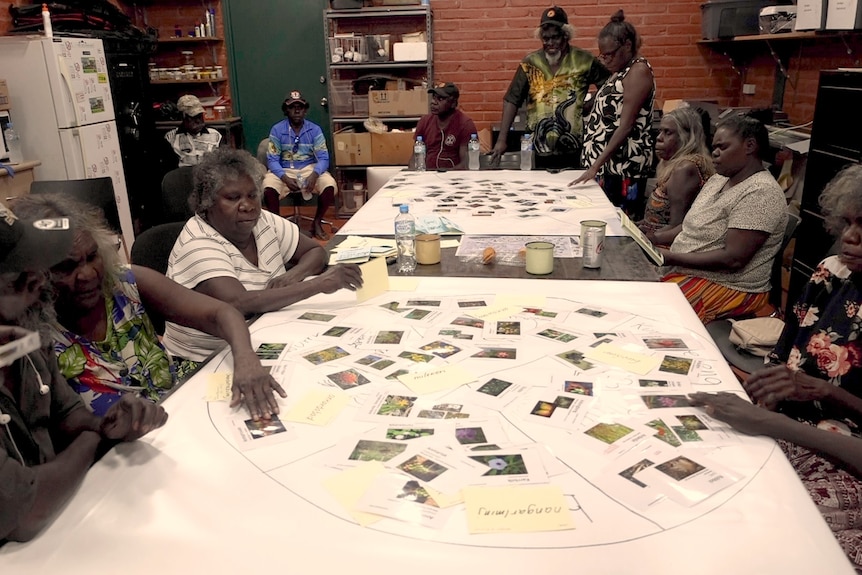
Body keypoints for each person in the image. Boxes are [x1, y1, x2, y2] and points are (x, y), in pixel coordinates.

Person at [11, 194, 286, 421]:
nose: (87, 274)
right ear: (31, 275)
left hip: (182, 410)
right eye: (65, 267)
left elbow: (221, 313)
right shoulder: (29, 341)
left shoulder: (123, 282)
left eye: (92, 256)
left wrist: (246, 358)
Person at [0, 206, 167, 543]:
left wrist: (109, 421)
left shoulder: (26, 332)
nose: (36, 279)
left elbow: (67, 412)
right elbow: (25, 511)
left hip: (61, 525)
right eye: (15, 275)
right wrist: (95, 438)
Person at [165, 147, 363, 361]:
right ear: (208, 203)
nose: (247, 206)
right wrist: (319, 284)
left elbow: (315, 251)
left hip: (265, 330)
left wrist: (292, 275)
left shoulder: (262, 221)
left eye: (252, 195)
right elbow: (240, 303)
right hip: (208, 359)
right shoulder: (198, 242)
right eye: (233, 198)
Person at [656, 114, 787, 324]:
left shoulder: (761, 192)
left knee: (651, 312)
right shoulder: (719, 179)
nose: (714, 153)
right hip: (688, 268)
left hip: (729, 285)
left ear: (750, 146)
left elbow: (732, 259)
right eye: (714, 146)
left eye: (722, 147)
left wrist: (669, 257)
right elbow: (690, 225)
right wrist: (650, 239)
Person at [489, 6, 609, 171]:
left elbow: (610, 86)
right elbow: (512, 99)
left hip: (574, 147)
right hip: (537, 148)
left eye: (555, 38)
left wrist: (591, 104)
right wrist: (502, 140)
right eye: (545, 39)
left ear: (566, 36)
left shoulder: (585, 60)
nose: (550, 43)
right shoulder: (530, 63)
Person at [572, 10, 655, 220]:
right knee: (600, 221)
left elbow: (626, 125)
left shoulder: (638, 71)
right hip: (608, 167)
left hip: (622, 167)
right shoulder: (620, 71)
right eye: (602, 54)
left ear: (627, 46)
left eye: (609, 54)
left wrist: (595, 167)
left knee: (617, 226)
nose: (604, 60)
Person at [262, 90, 338, 240]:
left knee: (329, 184)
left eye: (301, 107)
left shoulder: (314, 130)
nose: (297, 110)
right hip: (283, 169)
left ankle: (316, 223)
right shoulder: (277, 130)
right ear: (286, 110)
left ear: (305, 110)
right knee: (268, 187)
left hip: (309, 168)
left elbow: (323, 158)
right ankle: (277, 228)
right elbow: (272, 159)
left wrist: (315, 174)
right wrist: (284, 178)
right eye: (292, 107)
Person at [638, 106, 715, 240]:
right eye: (660, 131)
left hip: (667, 248)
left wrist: (647, 240)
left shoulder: (685, 168)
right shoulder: (673, 164)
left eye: (668, 133)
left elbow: (678, 227)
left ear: (686, 137)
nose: (659, 138)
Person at [410, 82, 478, 170]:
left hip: (454, 178)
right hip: (426, 176)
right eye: (434, 97)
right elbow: (414, 159)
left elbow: (466, 164)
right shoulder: (424, 121)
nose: (433, 102)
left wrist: (444, 176)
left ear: (453, 103)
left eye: (440, 99)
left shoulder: (465, 124)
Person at [163, 94, 222, 168]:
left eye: (200, 115)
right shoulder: (171, 138)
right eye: (194, 116)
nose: (198, 120)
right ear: (183, 117)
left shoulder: (216, 135)